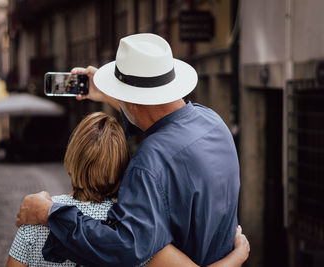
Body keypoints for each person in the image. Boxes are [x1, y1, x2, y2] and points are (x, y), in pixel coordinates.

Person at [16, 33, 242, 266]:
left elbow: (126, 247)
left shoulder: (150, 159)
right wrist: (108, 93)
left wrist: (49, 213)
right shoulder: (213, 122)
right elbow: (151, 112)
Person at [7, 112, 249, 267]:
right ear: (124, 162)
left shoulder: (33, 223)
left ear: (71, 157)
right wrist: (238, 255)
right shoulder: (140, 230)